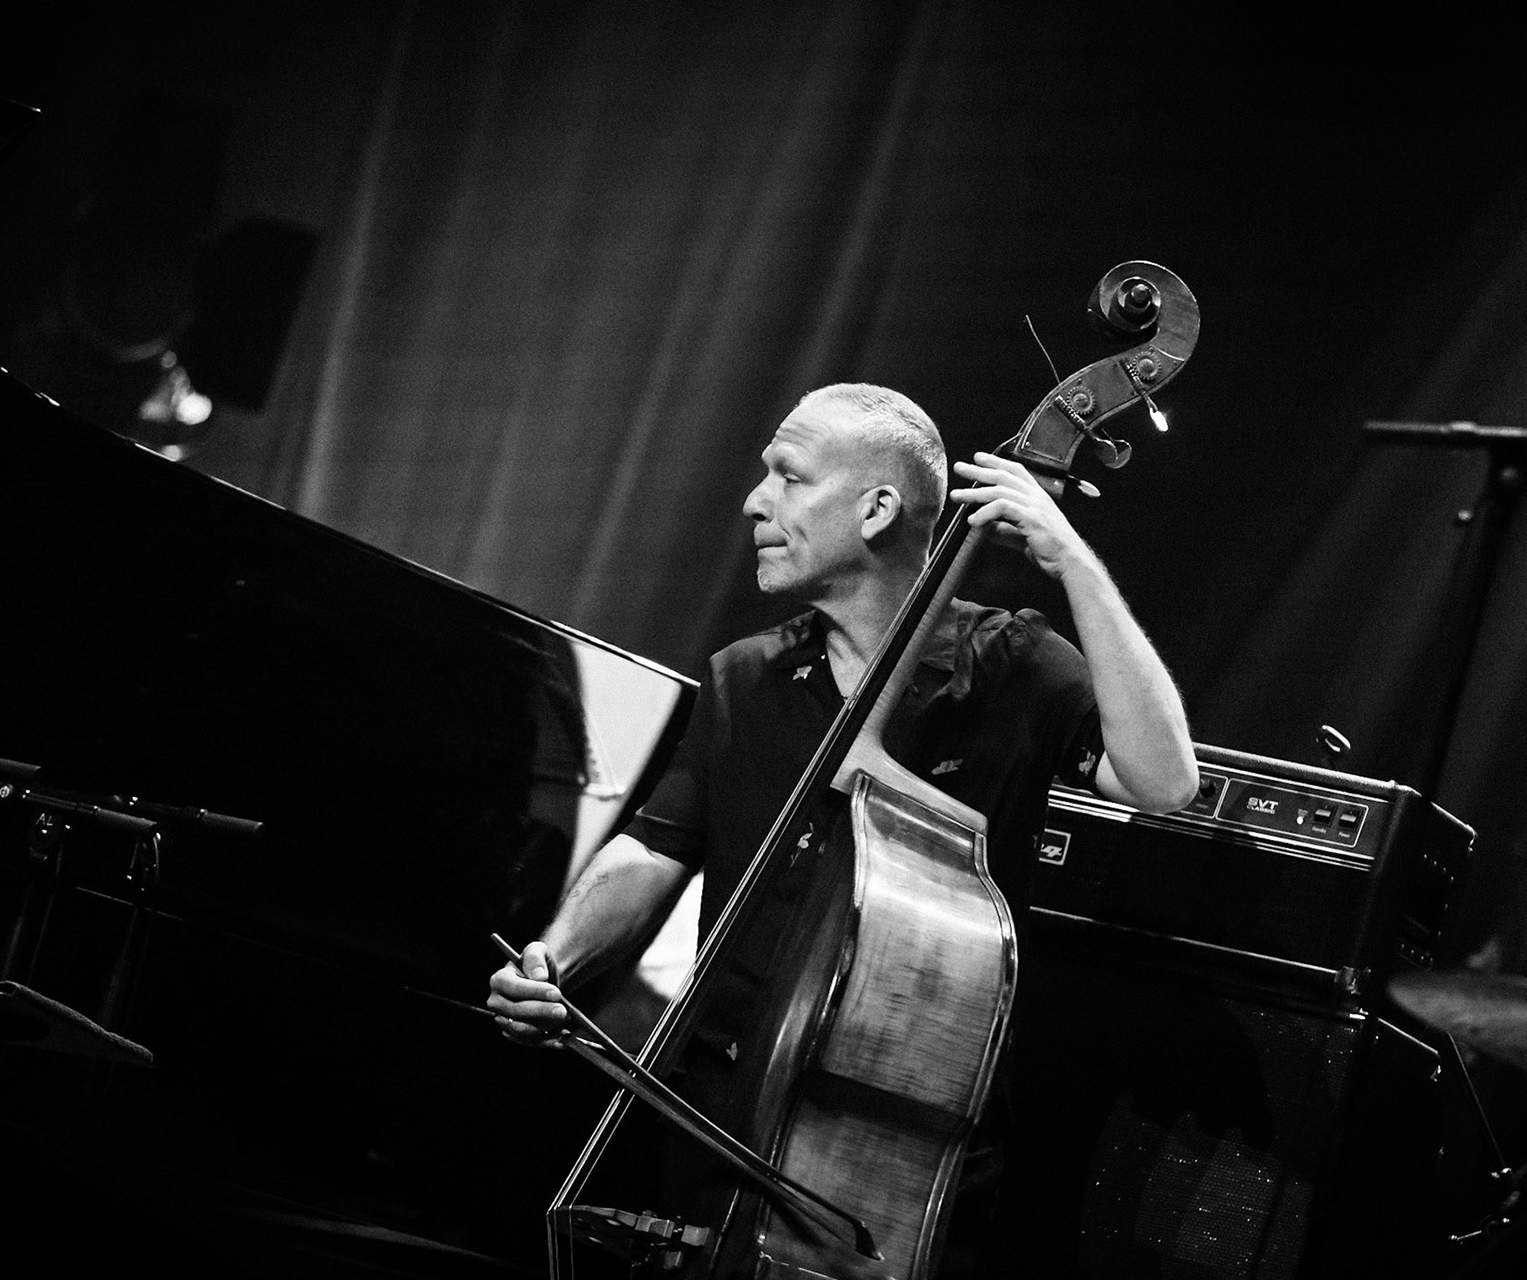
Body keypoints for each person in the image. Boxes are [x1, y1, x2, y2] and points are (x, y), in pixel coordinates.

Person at [488, 382, 1197, 1274]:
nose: (756, 501)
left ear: (876, 508)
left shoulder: (1015, 668)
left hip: (892, 1152)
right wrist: (559, 957)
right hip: (713, 1118)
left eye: (787, 476)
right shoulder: (745, 679)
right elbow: (655, 843)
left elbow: (1165, 781)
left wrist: (1074, 563)